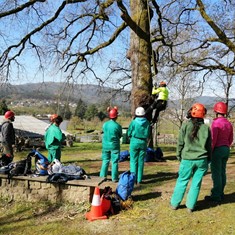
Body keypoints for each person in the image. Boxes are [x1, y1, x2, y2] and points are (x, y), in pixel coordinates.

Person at [170, 103, 211, 212]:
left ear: (192, 113)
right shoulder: (206, 129)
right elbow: (209, 146)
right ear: (203, 114)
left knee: (182, 180)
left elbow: (180, 143)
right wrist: (209, 160)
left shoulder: (185, 125)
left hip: (187, 159)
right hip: (202, 160)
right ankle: (191, 206)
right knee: (196, 183)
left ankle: (175, 204)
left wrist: (178, 155)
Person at [205, 102, 233, 203]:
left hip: (217, 149)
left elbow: (213, 139)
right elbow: (231, 139)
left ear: (216, 111)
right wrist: (226, 146)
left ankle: (216, 196)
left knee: (216, 173)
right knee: (222, 172)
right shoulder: (229, 123)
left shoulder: (216, 123)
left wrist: (210, 152)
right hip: (226, 149)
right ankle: (221, 192)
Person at [127, 107, 151, 185]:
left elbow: (129, 132)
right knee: (141, 161)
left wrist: (130, 136)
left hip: (134, 141)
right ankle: (139, 179)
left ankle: (133, 179)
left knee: (133, 161)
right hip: (143, 142)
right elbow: (148, 133)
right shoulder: (147, 122)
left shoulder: (133, 122)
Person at [100, 107, 122, 182]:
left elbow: (103, 132)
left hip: (105, 146)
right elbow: (119, 135)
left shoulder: (105, 124)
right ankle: (114, 178)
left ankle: (102, 177)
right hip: (114, 146)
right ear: (116, 116)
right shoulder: (118, 126)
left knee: (105, 161)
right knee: (114, 162)